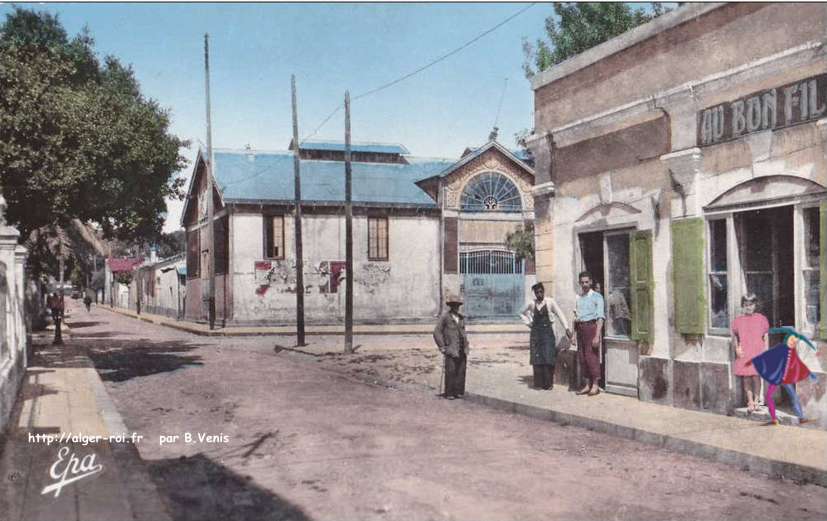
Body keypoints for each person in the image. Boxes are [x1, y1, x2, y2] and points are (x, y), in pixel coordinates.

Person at [748, 327, 817, 425]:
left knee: (794, 397)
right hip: (777, 377)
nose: (793, 343)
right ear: (788, 339)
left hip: (786, 379)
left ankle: (801, 417)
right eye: (792, 340)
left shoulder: (792, 352)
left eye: (795, 342)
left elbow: (799, 364)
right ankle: (774, 419)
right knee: (768, 396)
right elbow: (768, 354)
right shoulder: (780, 348)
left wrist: (810, 374)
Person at [520, 282, 572, 390]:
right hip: (535, 334)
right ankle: (538, 384)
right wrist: (529, 323)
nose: (539, 294)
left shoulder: (550, 302)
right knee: (537, 358)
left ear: (543, 291)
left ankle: (548, 384)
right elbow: (521, 313)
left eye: (541, 292)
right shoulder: (531, 304)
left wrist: (566, 328)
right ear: (534, 293)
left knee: (548, 357)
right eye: (537, 292)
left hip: (548, 334)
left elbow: (560, 314)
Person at [731, 294, 769, 412]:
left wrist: (766, 350)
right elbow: (735, 337)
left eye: (751, 305)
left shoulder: (761, 319)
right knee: (747, 377)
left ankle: (757, 401)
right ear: (743, 306)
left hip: (757, 351)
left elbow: (766, 336)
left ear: (755, 305)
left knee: (756, 376)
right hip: (745, 351)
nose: (748, 307)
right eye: (746, 305)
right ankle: (750, 402)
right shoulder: (738, 321)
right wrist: (737, 348)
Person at [574, 271, 605, 396]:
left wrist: (597, 336)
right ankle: (587, 384)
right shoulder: (579, 297)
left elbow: (600, 318)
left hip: (591, 328)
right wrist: (574, 335)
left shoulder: (597, 297)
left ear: (591, 282)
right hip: (580, 329)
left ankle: (595, 385)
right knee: (582, 358)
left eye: (587, 282)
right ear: (579, 283)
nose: (585, 284)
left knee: (591, 357)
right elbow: (575, 316)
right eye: (582, 282)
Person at [433, 294, 469, 400]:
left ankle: (458, 392)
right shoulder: (445, 317)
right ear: (450, 306)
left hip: (462, 348)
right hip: (451, 348)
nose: (456, 307)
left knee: (461, 370)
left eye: (457, 305)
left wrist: (467, 345)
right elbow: (437, 332)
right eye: (453, 305)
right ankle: (449, 393)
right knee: (451, 370)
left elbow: (463, 331)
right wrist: (442, 346)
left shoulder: (461, 318)